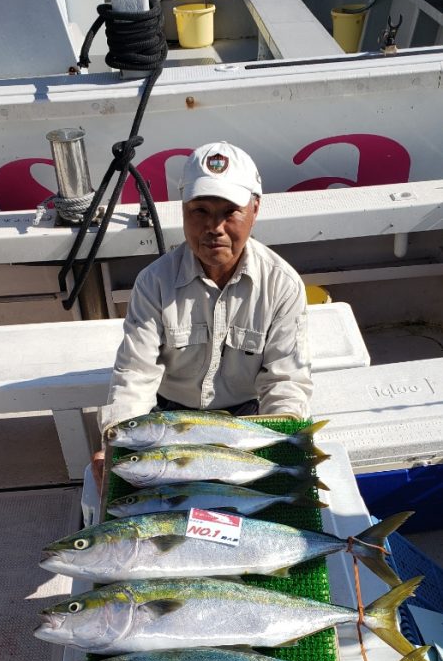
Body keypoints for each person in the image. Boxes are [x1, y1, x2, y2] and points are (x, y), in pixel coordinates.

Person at [92, 141, 313, 490]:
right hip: (168, 417)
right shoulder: (153, 282)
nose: (214, 227)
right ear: (183, 212)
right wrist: (115, 442)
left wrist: (283, 437)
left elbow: (285, 382)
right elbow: (136, 374)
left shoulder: (282, 285)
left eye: (230, 212)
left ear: (255, 209)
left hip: (247, 420)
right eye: (200, 211)